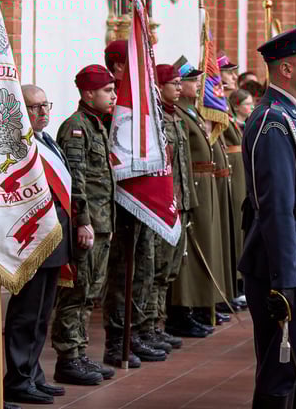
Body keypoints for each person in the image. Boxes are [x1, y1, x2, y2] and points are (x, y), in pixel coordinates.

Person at [239, 20, 296, 409]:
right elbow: (275, 207)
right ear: (287, 68)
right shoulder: (273, 121)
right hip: (291, 262)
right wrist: (284, 280)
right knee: (282, 369)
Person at [101, 40, 169, 368]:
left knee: (143, 269)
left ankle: (138, 331)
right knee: (121, 274)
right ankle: (118, 340)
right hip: (120, 203)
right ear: (119, 66)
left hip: (141, 199)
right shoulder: (114, 107)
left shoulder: (140, 100)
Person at [3, 85, 73, 404]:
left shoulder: (46, 140)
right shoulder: (17, 146)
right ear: (21, 110)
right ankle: (18, 378)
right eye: (34, 107)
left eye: (46, 104)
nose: (43, 111)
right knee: (26, 313)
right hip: (32, 240)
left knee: (43, 313)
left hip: (54, 238)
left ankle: (33, 373)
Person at [51, 65, 117, 385]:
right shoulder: (76, 128)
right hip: (87, 224)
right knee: (76, 292)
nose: (113, 96)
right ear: (88, 94)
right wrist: (82, 221)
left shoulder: (96, 125)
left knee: (90, 292)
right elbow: (75, 182)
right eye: (107, 90)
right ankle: (67, 358)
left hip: (101, 222)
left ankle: (79, 352)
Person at [167, 58, 225, 338]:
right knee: (189, 252)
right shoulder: (177, 113)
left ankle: (201, 304)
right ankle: (184, 310)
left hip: (202, 184)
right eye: (188, 80)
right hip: (191, 185)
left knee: (205, 246)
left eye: (190, 80)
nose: (194, 84)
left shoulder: (191, 111)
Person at [139, 64, 193, 350]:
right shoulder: (153, 119)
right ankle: (147, 326)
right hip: (162, 205)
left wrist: (188, 202)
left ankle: (157, 324)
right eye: (174, 83)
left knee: (169, 270)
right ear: (159, 87)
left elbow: (183, 164)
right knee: (156, 269)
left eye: (180, 83)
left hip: (179, 202)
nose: (179, 88)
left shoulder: (176, 117)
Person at [218, 52, 248, 311]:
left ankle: (236, 284)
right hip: (225, 173)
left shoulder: (223, 103)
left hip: (236, 172)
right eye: (227, 72)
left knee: (238, 229)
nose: (233, 76)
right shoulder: (217, 103)